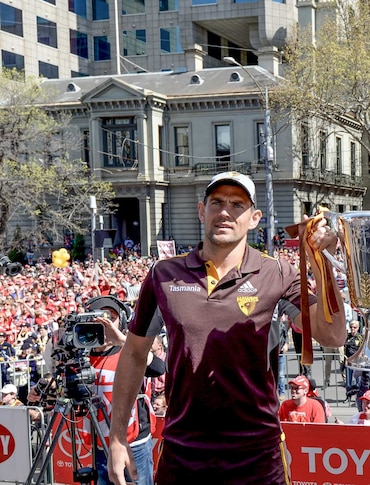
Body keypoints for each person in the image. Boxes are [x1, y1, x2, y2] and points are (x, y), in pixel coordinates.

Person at [106, 171, 346, 485]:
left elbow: (333, 334)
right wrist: (117, 436)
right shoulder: (163, 274)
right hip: (183, 455)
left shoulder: (277, 273)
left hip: (257, 456)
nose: (225, 212)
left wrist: (320, 260)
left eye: (237, 205)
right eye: (217, 202)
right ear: (201, 210)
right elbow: (135, 354)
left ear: (255, 217)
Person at [85, 296, 165, 485]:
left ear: (121, 319)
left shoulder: (128, 350)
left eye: (110, 317)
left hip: (132, 443)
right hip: (100, 444)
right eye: (97, 318)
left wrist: (122, 341)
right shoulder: (81, 356)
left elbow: (158, 368)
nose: (105, 324)